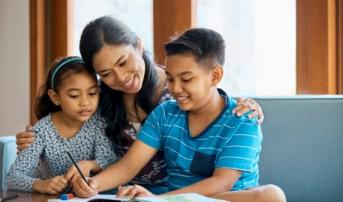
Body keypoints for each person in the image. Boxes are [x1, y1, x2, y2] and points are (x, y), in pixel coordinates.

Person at [15, 16, 265, 194]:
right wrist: (38, 136)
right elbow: (125, 164)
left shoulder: (181, 96)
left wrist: (248, 107)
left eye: (123, 62)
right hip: (133, 192)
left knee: (270, 195)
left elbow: (209, 93)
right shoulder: (103, 99)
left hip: (167, 194)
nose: (121, 78)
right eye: (107, 73)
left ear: (138, 45)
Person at [73, 28, 285, 202]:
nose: (175, 89)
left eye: (186, 79)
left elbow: (222, 182)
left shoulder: (243, 119)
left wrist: (159, 200)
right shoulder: (165, 113)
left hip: (219, 199)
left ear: (216, 75)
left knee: (271, 195)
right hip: (173, 199)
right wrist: (94, 184)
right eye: (171, 79)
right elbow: (129, 165)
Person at [7, 56, 117, 195]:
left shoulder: (98, 121)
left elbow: (109, 160)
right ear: (55, 97)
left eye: (92, 93)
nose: (85, 102)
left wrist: (89, 165)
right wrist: (41, 185)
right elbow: (13, 177)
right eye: (74, 95)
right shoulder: (41, 131)